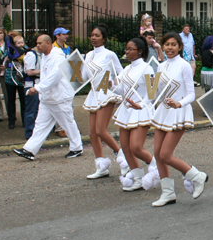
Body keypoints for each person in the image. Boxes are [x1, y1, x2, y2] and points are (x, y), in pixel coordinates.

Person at [151, 32, 209, 206]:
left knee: (165, 154)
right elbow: (157, 94)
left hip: (178, 112)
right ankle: (168, 193)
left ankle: (196, 176)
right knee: (157, 154)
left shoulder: (184, 65)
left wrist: (179, 103)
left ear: (180, 47)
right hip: (163, 112)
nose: (169, 47)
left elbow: (192, 94)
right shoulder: (161, 66)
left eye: (173, 44)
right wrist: (151, 91)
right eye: (167, 44)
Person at [13, 34, 83, 161]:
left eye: (40, 43)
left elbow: (55, 76)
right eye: (37, 43)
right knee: (40, 125)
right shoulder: (45, 55)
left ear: (48, 43)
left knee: (67, 123)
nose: (37, 45)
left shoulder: (58, 56)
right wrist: (41, 90)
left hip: (59, 97)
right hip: (47, 98)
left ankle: (77, 147)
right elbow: (47, 76)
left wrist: (37, 88)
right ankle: (29, 149)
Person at [112, 36, 158, 191]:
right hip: (126, 110)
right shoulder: (127, 68)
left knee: (136, 147)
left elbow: (152, 93)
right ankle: (137, 179)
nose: (127, 52)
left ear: (140, 51)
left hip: (141, 110)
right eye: (126, 49)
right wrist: (109, 83)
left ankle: (156, 166)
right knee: (125, 147)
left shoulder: (147, 68)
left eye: (130, 49)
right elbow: (120, 90)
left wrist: (142, 105)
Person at [82, 24, 125, 180]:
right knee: (92, 133)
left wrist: (113, 83)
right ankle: (101, 167)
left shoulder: (110, 54)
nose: (94, 38)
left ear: (104, 38)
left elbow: (121, 72)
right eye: (92, 35)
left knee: (101, 130)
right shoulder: (87, 55)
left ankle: (122, 157)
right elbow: (83, 77)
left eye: (97, 35)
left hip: (106, 93)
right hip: (94, 93)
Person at [3, 32, 27, 130]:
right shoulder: (9, 51)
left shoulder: (26, 51)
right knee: (11, 101)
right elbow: (4, 61)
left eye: (22, 43)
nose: (21, 45)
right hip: (10, 78)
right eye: (18, 43)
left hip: (22, 79)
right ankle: (11, 120)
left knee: (23, 101)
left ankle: (25, 121)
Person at [52, 27, 71, 138]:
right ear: (57, 36)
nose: (66, 36)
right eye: (63, 34)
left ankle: (65, 127)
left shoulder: (67, 48)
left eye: (66, 34)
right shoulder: (53, 48)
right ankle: (59, 128)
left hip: (66, 77)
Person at [23, 41, 42, 140]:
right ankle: (30, 133)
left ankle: (36, 133)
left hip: (39, 85)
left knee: (38, 110)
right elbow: (29, 72)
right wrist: (44, 70)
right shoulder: (31, 55)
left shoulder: (42, 55)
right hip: (31, 86)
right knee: (31, 110)